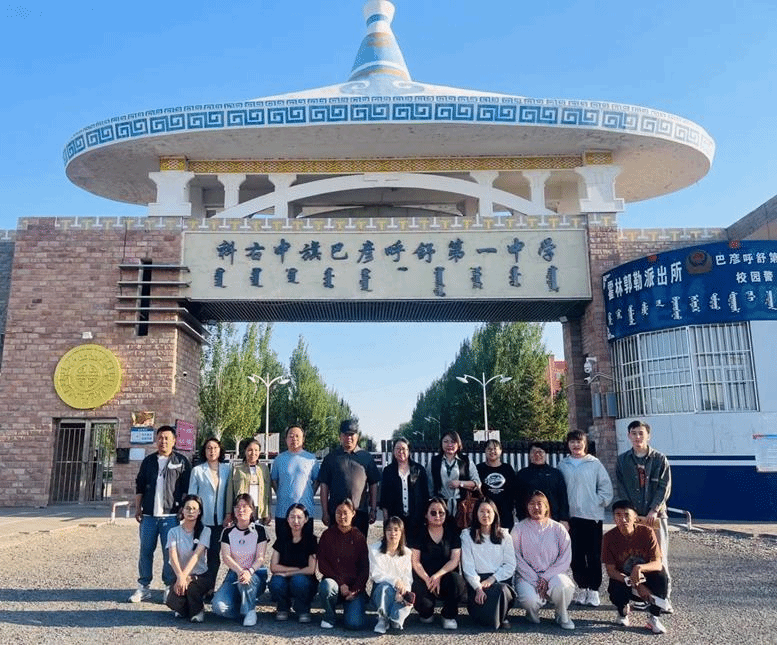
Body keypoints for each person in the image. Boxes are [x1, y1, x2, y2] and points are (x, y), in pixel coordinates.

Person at [129, 425, 191, 603]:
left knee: (169, 554)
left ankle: (168, 586)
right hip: (149, 516)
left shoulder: (181, 461)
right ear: (156, 440)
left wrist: (183, 508)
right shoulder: (148, 461)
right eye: (160, 438)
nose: (163, 441)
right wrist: (138, 508)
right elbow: (140, 486)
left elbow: (186, 488)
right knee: (145, 551)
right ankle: (144, 586)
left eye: (167, 438)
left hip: (170, 517)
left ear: (174, 441)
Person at [615, 419, 672, 602]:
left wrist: (654, 510)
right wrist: (630, 513)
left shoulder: (659, 459)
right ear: (628, 436)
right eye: (634, 433)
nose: (637, 437)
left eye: (641, 433)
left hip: (655, 517)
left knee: (659, 556)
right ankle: (640, 595)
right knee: (635, 557)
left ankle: (663, 598)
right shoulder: (622, 460)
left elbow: (664, 487)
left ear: (648, 436)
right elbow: (621, 487)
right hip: (633, 518)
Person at [557, 430, 613, 606]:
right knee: (576, 555)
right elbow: (559, 489)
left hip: (591, 517)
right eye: (572, 442)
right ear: (568, 444)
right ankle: (582, 587)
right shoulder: (563, 464)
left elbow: (605, 487)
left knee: (593, 554)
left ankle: (594, 590)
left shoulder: (594, 463)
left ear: (585, 443)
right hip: (571, 517)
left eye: (579, 441)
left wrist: (597, 502)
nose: (576, 445)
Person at [602, 500, 670, 634]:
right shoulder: (609, 537)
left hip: (646, 575)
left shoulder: (647, 532)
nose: (623, 519)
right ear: (614, 518)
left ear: (635, 517)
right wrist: (636, 585)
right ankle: (622, 611)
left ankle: (654, 618)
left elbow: (657, 563)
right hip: (625, 579)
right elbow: (611, 571)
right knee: (615, 587)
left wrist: (638, 568)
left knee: (661, 575)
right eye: (618, 515)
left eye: (627, 515)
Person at [512, 491, 575, 630]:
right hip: (527, 576)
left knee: (563, 586)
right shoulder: (518, 529)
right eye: (532, 504)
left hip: (553, 575)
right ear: (527, 507)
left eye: (539, 504)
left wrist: (546, 577)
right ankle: (531, 614)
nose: (536, 507)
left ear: (546, 506)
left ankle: (562, 614)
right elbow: (516, 557)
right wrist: (536, 580)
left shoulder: (558, 528)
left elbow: (565, 558)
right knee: (529, 600)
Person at [409, 497, 467, 630]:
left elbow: (454, 560)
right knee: (426, 613)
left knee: (457, 581)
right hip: (425, 578)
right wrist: (428, 579)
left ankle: (448, 616)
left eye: (441, 513)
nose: (437, 516)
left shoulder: (452, 534)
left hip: (445, 576)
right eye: (433, 513)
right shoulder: (419, 533)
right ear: (426, 514)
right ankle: (426, 613)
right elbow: (415, 561)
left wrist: (438, 575)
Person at [211, 494, 269, 627]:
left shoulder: (260, 530)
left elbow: (260, 557)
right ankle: (242, 609)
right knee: (219, 607)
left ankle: (250, 611)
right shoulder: (227, 532)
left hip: (255, 573)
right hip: (234, 574)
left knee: (246, 580)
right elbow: (226, 557)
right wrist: (240, 571)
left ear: (252, 509)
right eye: (237, 507)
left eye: (245, 506)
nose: (241, 510)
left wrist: (249, 571)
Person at [318, 419, 380, 537]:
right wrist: (325, 512)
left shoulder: (366, 458)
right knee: (336, 546)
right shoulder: (331, 458)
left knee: (359, 546)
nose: (349, 438)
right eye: (346, 434)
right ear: (340, 436)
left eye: (352, 434)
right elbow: (324, 486)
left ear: (358, 436)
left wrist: (373, 509)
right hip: (336, 513)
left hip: (360, 513)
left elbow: (373, 484)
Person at [460, 498, 516, 630]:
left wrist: (492, 579)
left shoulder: (505, 535)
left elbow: (510, 565)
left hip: (499, 580)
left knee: (502, 590)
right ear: (476, 514)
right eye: (482, 511)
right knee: (482, 609)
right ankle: (497, 617)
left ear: (495, 514)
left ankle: (500, 616)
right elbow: (467, 567)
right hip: (477, 583)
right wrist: (478, 588)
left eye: (489, 511)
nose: (485, 515)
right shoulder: (467, 535)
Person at [316, 498, 369, 630]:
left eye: (346, 513)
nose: (342, 516)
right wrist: (340, 583)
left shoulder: (359, 537)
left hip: (354, 588)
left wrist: (355, 590)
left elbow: (364, 569)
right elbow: (322, 564)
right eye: (338, 513)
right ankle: (329, 616)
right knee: (326, 586)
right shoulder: (327, 535)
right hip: (335, 584)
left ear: (353, 513)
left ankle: (351, 609)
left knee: (354, 624)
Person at [188, 436, 231, 588]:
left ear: (220, 450)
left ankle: (210, 587)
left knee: (214, 556)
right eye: (208, 448)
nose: (212, 451)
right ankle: (195, 586)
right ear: (204, 451)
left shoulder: (227, 469)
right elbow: (192, 496)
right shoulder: (197, 470)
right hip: (202, 520)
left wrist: (229, 514)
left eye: (215, 448)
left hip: (220, 521)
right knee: (198, 554)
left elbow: (230, 493)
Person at [164, 494, 211, 623]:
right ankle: (186, 607)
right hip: (180, 574)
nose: (191, 511)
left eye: (194, 509)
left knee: (191, 589)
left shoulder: (205, 531)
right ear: (182, 510)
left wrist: (184, 577)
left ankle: (198, 610)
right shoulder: (173, 532)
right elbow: (173, 556)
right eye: (188, 508)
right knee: (171, 600)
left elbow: (196, 555)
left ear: (199, 512)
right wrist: (180, 577)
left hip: (200, 575)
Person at [268, 503, 318, 623]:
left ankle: (303, 609)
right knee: (276, 582)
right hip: (286, 578)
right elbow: (273, 567)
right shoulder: (282, 539)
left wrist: (288, 573)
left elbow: (311, 569)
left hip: (304, 580)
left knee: (298, 581)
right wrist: (295, 570)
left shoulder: (311, 540)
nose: (296, 521)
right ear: (287, 519)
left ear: (306, 519)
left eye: (299, 517)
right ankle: (283, 607)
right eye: (292, 517)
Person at [270, 425, 319, 540]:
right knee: (283, 546)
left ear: (303, 439)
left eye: (297, 436)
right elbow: (274, 480)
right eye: (291, 436)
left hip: (305, 511)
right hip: (283, 511)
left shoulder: (311, 459)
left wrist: (309, 494)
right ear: (286, 439)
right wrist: (280, 493)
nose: (294, 439)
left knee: (305, 546)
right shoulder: (279, 459)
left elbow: (317, 480)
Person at [369, 516, 414, 634]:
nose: (392, 533)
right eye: (389, 529)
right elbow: (376, 575)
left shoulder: (407, 553)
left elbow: (408, 577)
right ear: (384, 532)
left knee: (396, 622)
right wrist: (395, 582)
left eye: (396, 530)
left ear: (401, 532)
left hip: (400, 592)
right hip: (381, 590)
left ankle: (393, 618)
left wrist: (404, 591)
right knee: (385, 588)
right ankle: (382, 619)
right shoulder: (374, 549)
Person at [379, 438, 429, 541]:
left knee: (415, 545)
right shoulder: (388, 471)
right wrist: (386, 518)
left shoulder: (419, 470)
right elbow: (384, 497)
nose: (401, 451)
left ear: (409, 451)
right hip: (395, 517)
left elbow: (425, 495)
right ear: (393, 451)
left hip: (416, 517)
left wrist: (425, 516)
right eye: (398, 449)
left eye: (403, 449)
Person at [428, 431, 481, 517]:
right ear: (441, 443)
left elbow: (477, 483)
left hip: (462, 506)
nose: (449, 445)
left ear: (458, 444)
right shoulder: (434, 461)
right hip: (440, 506)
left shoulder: (466, 461)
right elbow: (429, 485)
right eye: (446, 441)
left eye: (453, 442)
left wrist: (460, 483)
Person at [514, 442, 569, 525]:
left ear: (545, 454)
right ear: (529, 455)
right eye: (534, 452)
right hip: (529, 520)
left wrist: (564, 518)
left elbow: (563, 497)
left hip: (553, 519)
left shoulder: (555, 473)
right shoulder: (522, 474)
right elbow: (518, 499)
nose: (537, 454)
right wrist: (521, 518)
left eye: (540, 452)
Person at [226, 438, 271, 526]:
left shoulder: (264, 469)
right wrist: (228, 513)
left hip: (259, 510)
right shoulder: (236, 469)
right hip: (242, 511)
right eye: (250, 450)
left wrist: (268, 512)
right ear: (245, 451)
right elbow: (230, 493)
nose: (253, 453)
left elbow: (268, 492)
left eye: (256, 450)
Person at [476, 439, 516, 530]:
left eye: (495, 449)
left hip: (505, 512)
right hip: (485, 512)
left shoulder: (507, 469)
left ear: (500, 451)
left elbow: (514, 490)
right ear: (485, 451)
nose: (492, 451)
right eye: (489, 449)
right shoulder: (479, 468)